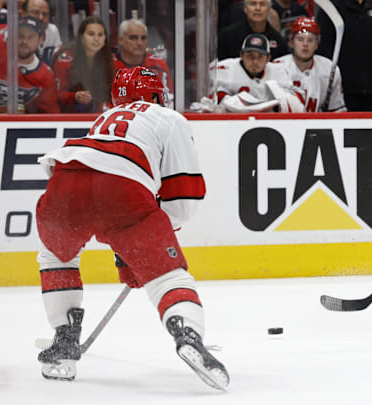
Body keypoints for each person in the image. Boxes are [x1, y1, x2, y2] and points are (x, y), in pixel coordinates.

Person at [35, 66, 229, 390]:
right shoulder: (168, 118)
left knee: (56, 257)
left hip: (64, 180)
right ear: (157, 94)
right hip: (123, 190)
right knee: (168, 277)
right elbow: (182, 199)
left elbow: (98, 187)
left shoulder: (103, 119)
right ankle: (187, 332)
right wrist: (144, 254)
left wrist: (126, 253)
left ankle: (64, 342)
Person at [193, 33, 304, 113]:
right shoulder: (224, 69)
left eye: (260, 57)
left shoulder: (279, 71)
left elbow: (299, 101)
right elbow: (208, 100)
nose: (255, 61)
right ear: (241, 55)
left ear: (268, 58)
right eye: (250, 56)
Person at [316, 0, 372, 111]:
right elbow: (323, 51)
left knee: (367, 127)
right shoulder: (330, 10)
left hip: (369, 87)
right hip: (340, 89)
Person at [274, 17, 346, 112]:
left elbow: (337, 110)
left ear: (316, 44)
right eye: (300, 39)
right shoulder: (277, 67)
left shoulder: (329, 69)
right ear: (291, 42)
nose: (305, 44)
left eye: (310, 40)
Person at [0, 16, 59, 113]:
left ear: (41, 40)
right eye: (20, 36)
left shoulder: (46, 76)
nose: (24, 41)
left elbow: (49, 114)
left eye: (31, 37)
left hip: (15, 125)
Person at [52, 16, 114, 113]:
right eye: (91, 34)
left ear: (105, 39)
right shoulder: (64, 61)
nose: (96, 39)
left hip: (101, 116)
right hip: (69, 117)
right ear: (81, 37)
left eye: (100, 35)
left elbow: (114, 94)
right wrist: (75, 97)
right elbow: (56, 95)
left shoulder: (111, 61)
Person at [113, 19, 173, 106]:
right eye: (133, 38)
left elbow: (169, 101)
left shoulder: (158, 65)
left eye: (143, 38)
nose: (139, 43)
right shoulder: (108, 66)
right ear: (121, 40)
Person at [218, 0, 289, 60]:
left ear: (269, 9)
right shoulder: (226, 37)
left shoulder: (279, 42)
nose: (257, 8)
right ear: (245, 8)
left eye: (262, 4)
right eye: (253, 4)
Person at [22, 0, 61, 65]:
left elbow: (58, 57)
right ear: (23, 14)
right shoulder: (13, 33)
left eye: (45, 14)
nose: (41, 18)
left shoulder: (52, 30)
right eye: (35, 12)